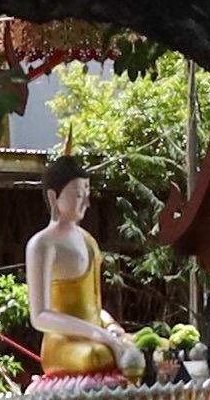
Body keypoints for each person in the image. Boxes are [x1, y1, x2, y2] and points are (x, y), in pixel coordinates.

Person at [26, 156, 134, 378]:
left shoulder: (87, 240)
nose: (86, 203)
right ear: (53, 196)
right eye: (77, 195)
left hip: (98, 334)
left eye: (87, 194)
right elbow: (40, 316)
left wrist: (110, 326)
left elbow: (93, 304)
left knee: (151, 345)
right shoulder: (42, 244)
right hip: (63, 343)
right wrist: (98, 335)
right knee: (97, 356)